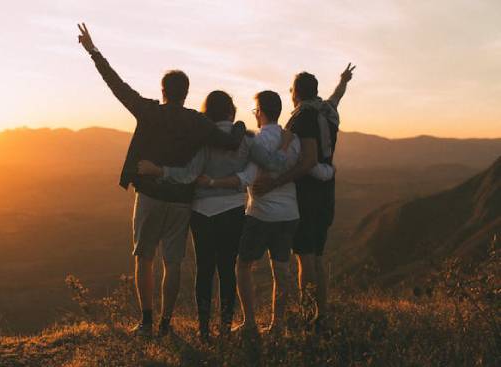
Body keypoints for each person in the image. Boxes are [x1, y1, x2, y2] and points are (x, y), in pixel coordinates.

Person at [77, 23, 247, 338]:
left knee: (144, 257)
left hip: (150, 196)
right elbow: (231, 142)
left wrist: (94, 51)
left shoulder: (148, 111)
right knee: (173, 263)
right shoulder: (198, 122)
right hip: (182, 201)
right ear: (186, 92)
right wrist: (240, 125)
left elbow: (116, 85)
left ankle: (146, 321)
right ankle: (167, 323)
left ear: (163, 90)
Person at [137, 90, 292, 341]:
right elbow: (274, 164)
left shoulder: (203, 140)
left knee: (205, 269)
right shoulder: (247, 139)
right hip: (232, 210)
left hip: (201, 212)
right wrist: (284, 145)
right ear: (231, 112)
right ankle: (225, 326)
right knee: (228, 270)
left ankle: (204, 329)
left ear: (206, 113)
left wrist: (159, 171)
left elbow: (188, 174)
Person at [253, 64, 356, 332]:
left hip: (308, 194)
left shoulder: (303, 119)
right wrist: (343, 80)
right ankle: (321, 315)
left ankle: (309, 316)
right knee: (317, 256)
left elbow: (308, 160)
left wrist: (275, 182)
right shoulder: (327, 111)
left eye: (291, 90)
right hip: (326, 191)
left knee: (305, 257)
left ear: (296, 93)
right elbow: (337, 97)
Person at [210, 91, 301, 335]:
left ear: (260, 111)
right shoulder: (294, 140)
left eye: (255, 110)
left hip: (260, 213)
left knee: (243, 266)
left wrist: (213, 182)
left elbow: (249, 177)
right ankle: (277, 325)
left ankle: (250, 323)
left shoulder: (255, 140)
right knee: (281, 270)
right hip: (289, 213)